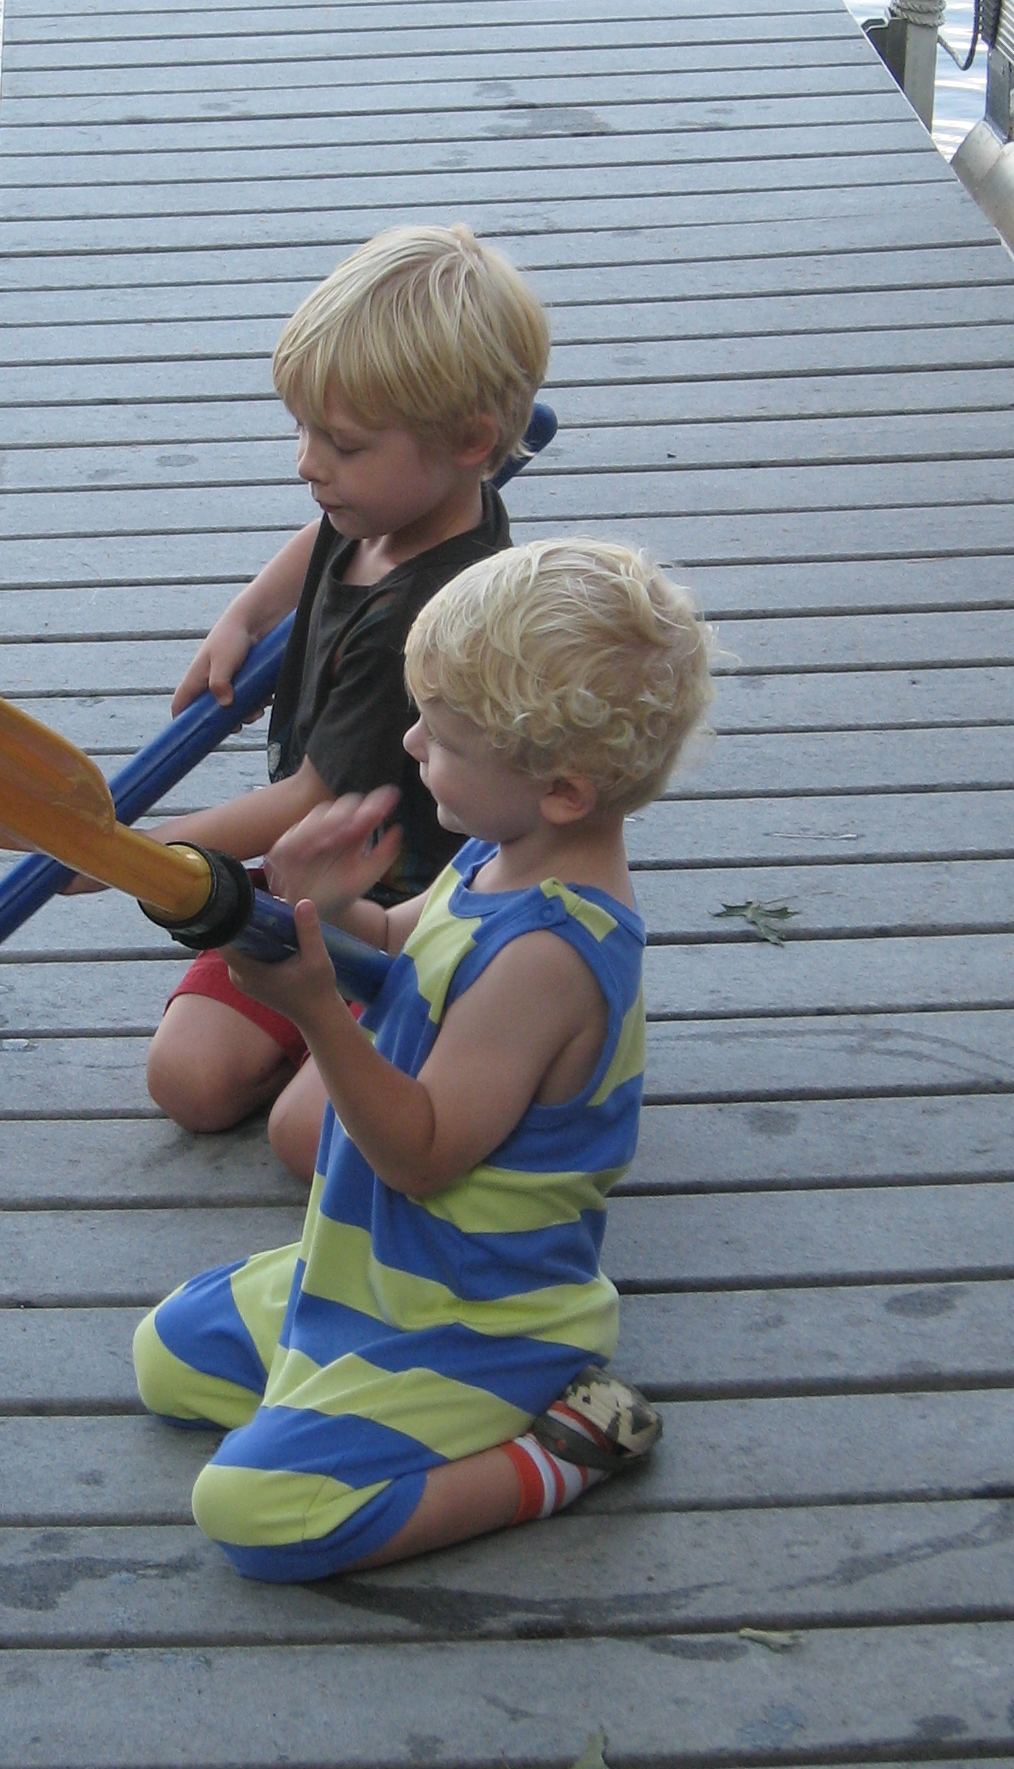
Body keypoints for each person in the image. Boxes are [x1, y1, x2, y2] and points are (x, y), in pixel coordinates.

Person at [133, 539, 709, 1581]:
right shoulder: (501, 854)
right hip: (376, 1265)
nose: (408, 743)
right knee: (167, 1356)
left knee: (252, 1514)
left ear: (563, 790)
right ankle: (350, 1413)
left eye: (441, 738)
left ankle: (557, 1454)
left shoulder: (550, 956)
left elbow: (421, 1152)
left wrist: (315, 1011)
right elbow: (410, 954)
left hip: (475, 1312)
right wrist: (326, 909)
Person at [142, 223, 550, 1171]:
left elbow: (310, 800)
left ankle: (466, 1041)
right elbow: (323, 540)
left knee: (309, 1139)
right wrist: (246, 615)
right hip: (311, 883)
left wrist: (132, 856)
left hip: (408, 908)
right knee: (189, 1081)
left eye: (341, 443)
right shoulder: (390, 501)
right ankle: (318, 1034)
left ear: (471, 441)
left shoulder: (429, 614)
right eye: (304, 431)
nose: (307, 464)